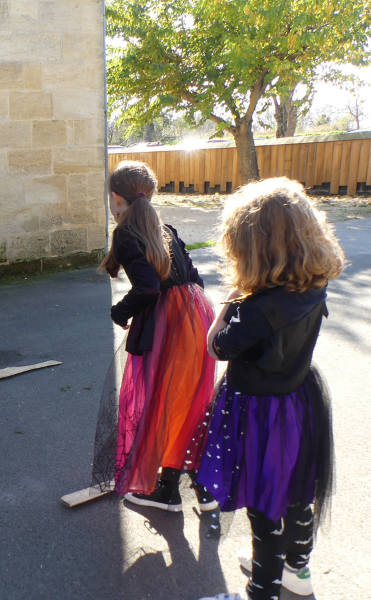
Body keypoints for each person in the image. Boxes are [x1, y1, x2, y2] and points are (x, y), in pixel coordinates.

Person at [197, 178, 344, 600]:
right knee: (298, 491)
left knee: (263, 503)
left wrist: (232, 298)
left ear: (253, 246)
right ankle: (297, 572)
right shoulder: (314, 281)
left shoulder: (257, 308)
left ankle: (261, 589)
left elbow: (216, 346)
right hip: (300, 400)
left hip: (261, 413)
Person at [90, 161, 217, 513]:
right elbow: (194, 278)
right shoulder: (166, 229)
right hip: (196, 314)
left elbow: (147, 288)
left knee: (160, 401)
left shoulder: (127, 234)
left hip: (172, 324)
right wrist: (191, 312)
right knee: (188, 401)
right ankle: (184, 489)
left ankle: (164, 490)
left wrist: (120, 312)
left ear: (115, 198)